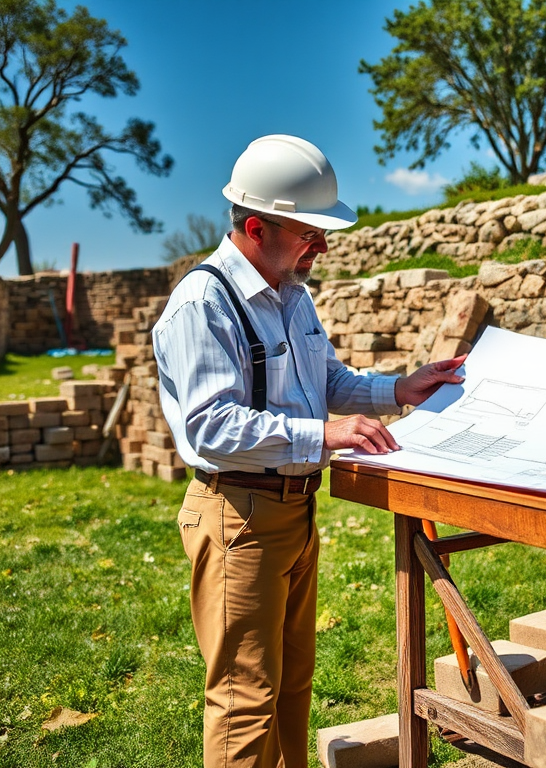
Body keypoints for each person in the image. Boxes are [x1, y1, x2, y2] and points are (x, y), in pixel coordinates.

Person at [152, 134, 465, 768]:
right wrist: (327, 433)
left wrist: (400, 389)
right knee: (245, 703)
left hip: (294, 514)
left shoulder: (292, 290)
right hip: (238, 518)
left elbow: (324, 383)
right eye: (309, 232)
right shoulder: (202, 305)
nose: (322, 245)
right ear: (255, 227)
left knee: (292, 689)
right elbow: (210, 427)